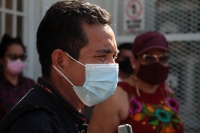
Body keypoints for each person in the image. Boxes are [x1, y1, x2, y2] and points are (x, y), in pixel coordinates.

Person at [0, 0, 119, 133]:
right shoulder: (37, 124)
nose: (112, 66)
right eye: (102, 56)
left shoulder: (63, 114)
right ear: (60, 61)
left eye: (114, 56)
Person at [88, 31, 184, 133]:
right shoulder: (115, 97)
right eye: (149, 58)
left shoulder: (168, 94)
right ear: (134, 61)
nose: (157, 64)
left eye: (163, 58)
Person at [0, 34, 36, 122]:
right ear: (1, 59)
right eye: (13, 57)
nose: (18, 61)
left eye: (22, 57)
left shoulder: (31, 85)